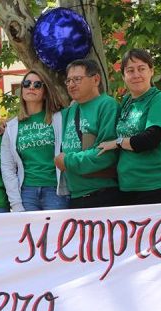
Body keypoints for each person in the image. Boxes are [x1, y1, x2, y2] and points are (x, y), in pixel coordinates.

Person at [97, 49, 161, 205]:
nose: (136, 74)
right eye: (130, 70)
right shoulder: (126, 102)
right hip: (128, 189)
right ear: (123, 76)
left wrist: (118, 142)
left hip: (159, 188)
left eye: (141, 68)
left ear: (151, 71)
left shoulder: (160, 99)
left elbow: (149, 140)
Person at [54, 59, 120, 209]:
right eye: (69, 80)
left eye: (77, 79)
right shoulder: (70, 111)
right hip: (75, 196)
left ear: (96, 79)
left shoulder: (107, 105)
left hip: (103, 195)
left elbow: (106, 153)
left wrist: (67, 161)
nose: (71, 85)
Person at [1, 70, 70, 212]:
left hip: (55, 191)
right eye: (27, 84)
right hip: (27, 193)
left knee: (55, 234)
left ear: (45, 92)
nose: (31, 87)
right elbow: (7, 167)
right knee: (31, 235)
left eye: (37, 84)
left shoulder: (60, 118)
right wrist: (16, 203)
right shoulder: (12, 127)